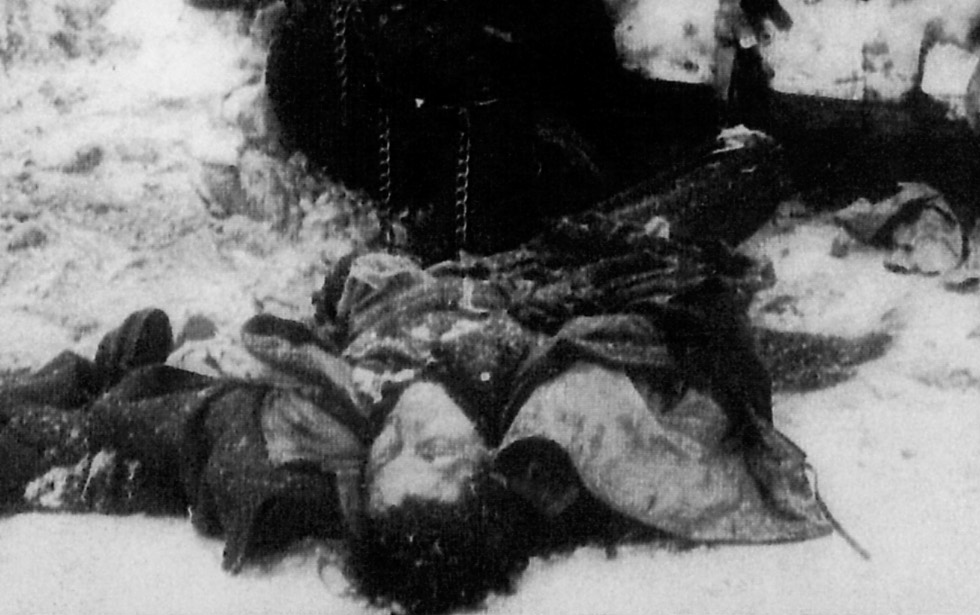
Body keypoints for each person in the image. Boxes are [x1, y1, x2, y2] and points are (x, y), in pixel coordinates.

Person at [0, 217, 833, 614]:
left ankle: (93, 378)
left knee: (124, 432)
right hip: (468, 270)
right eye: (442, 464)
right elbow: (693, 419)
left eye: (393, 467)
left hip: (361, 308)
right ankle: (103, 374)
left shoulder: (340, 425)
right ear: (491, 464)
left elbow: (187, 445)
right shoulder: (528, 402)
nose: (414, 448)